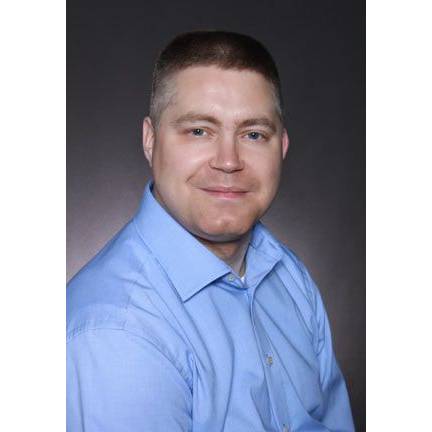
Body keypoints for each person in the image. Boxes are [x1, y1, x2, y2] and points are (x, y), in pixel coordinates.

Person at [67, 31, 355, 432]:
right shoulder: (117, 332)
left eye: (253, 134)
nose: (228, 161)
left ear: (282, 147)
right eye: (199, 131)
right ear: (150, 140)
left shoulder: (288, 274)